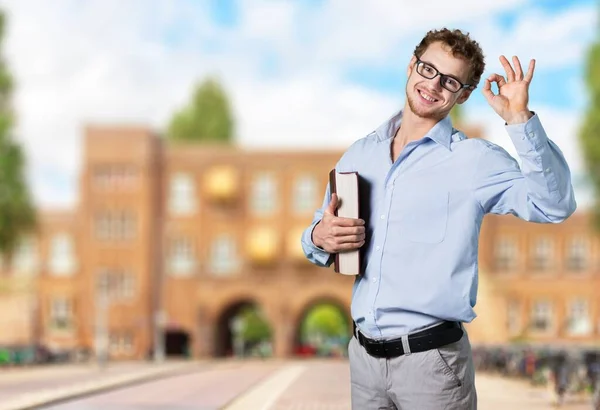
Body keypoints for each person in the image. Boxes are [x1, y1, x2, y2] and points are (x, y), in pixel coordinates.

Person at [301, 28, 577, 409]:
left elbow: (555, 204)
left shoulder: (475, 161)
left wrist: (520, 120)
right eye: (428, 69)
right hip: (363, 363)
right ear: (411, 66)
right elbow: (316, 235)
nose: (433, 85)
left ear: (462, 94)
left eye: (450, 81)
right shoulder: (360, 154)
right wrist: (319, 237)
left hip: (432, 367)